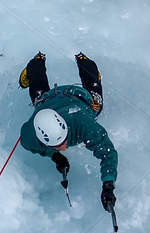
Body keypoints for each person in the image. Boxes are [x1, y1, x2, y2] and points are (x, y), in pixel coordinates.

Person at [18, 51, 116, 211]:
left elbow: (108, 153)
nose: (64, 148)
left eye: (62, 141)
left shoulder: (84, 124)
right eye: (57, 146)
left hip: (79, 97)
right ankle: (35, 64)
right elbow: (35, 144)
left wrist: (108, 185)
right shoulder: (30, 136)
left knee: (96, 104)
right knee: (38, 98)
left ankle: (85, 63)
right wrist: (55, 156)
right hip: (48, 100)